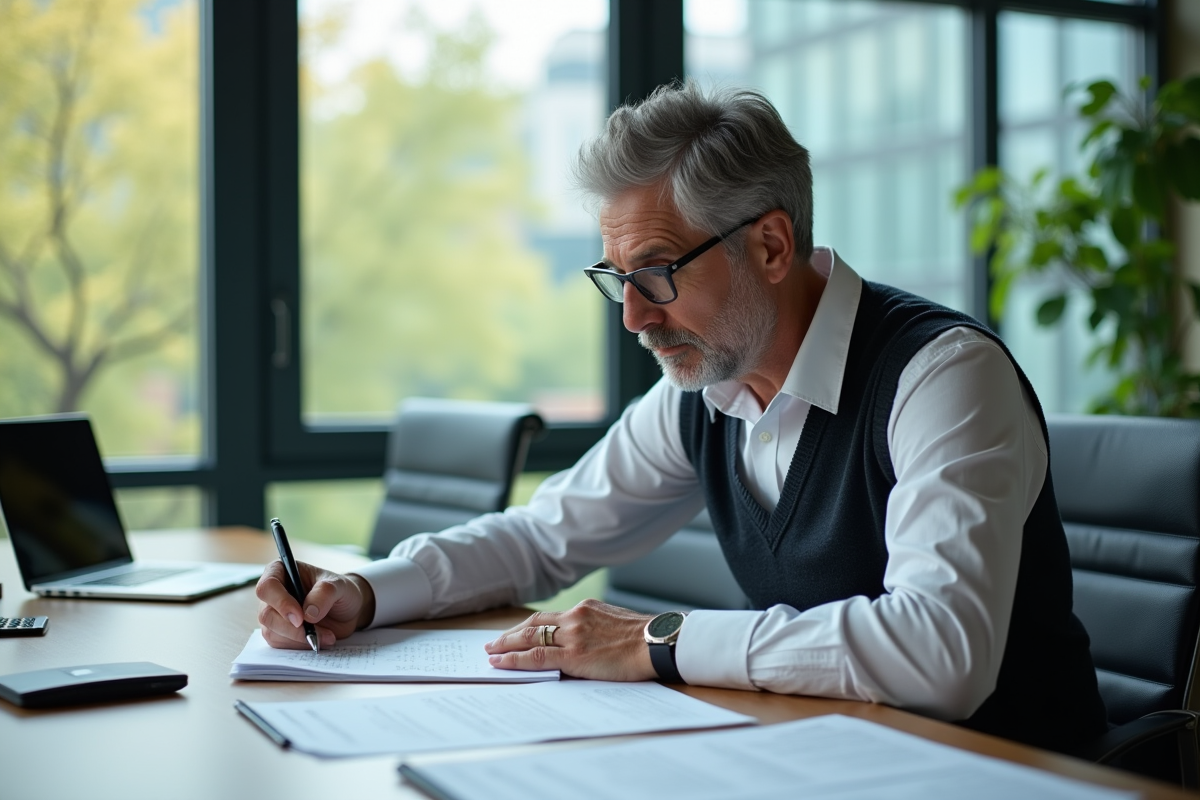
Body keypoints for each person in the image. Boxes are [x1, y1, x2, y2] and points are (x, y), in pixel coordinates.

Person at [256, 82, 1107, 753]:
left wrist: (659, 639)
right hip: (822, 760)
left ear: (771, 247)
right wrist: (365, 592)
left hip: (1000, 776)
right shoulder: (703, 394)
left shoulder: (943, 378)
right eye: (615, 277)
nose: (632, 316)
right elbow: (542, 537)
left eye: (657, 272)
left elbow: (940, 655)